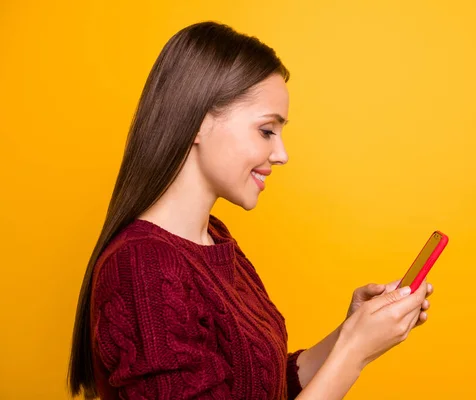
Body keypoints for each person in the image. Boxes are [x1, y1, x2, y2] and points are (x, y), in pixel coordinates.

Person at [67, 21, 434, 400]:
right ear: (197, 121)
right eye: (266, 130)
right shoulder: (142, 268)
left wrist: (351, 331)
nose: (282, 154)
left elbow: (265, 387)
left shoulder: (214, 239)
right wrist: (353, 353)